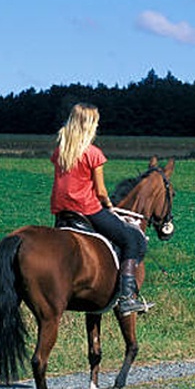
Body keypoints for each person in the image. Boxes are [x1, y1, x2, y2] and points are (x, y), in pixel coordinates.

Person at [50, 103, 153, 316]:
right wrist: (109, 207)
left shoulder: (60, 152)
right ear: (90, 125)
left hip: (62, 214)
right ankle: (126, 298)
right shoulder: (94, 153)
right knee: (133, 239)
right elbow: (101, 191)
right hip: (87, 210)